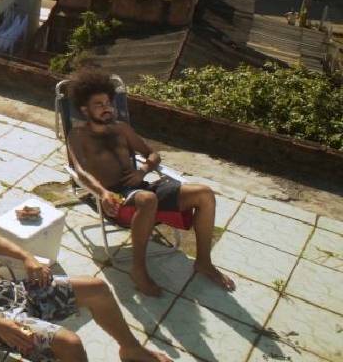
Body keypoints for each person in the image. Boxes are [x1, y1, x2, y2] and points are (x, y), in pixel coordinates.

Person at [0, 179, 171, 362]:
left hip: (8, 289)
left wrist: (27, 257)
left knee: (96, 287)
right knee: (70, 343)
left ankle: (131, 349)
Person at [66, 68, 235, 297]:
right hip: (114, 198)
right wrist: (103, 193)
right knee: (147, 199)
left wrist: (143, 170)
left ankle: (203, 262)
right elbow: (81, 170)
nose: (107, 107)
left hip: (142, 188)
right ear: (85, 109)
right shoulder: (77, 135)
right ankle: (139, 270)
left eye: (108, 102)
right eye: (99, 104)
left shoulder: (122, 129)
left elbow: (152, 155)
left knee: (204, 193)